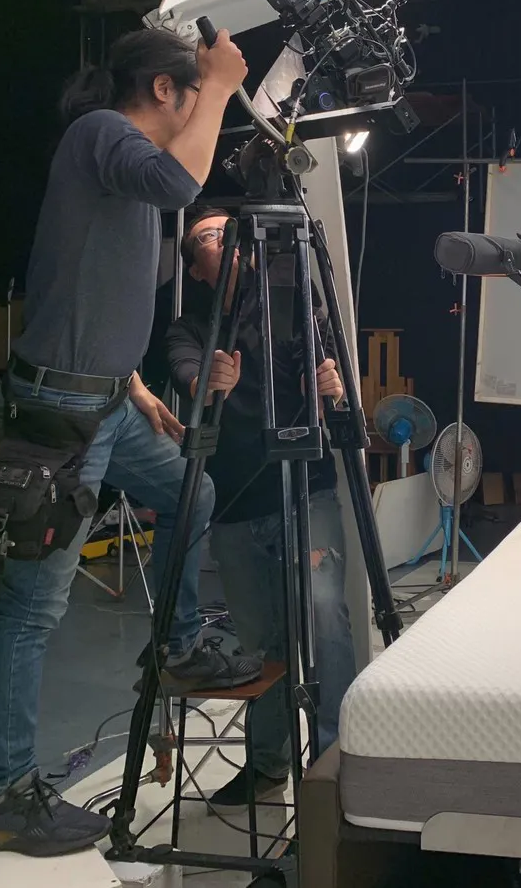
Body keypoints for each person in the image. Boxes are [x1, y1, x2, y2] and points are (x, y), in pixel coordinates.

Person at [0, 28, 259, 858]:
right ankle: (1, 796)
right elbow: (180, 182)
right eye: (191, 91)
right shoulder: (102, 134)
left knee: (190, 489)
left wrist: (132, 383)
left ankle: (180, 644)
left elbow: (88, 282)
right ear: (164, 89)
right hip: (63, 410)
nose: (200, 105)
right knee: (31, 607)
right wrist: (221, 82)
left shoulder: (124, 169)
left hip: (106, 399)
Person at [166, 206, 358, 811]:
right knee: (259, 642)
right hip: (236, 507)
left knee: (325, 616)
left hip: (307, 490)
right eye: (208, 236)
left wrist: (331, 390)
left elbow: (329, 377)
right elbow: (190, 377)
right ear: (196, 269)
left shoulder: (294, 307)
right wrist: (210, 382)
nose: (225, 239)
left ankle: (336, 760)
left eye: (230, 231)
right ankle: (270, 762)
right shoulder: (188, 330)